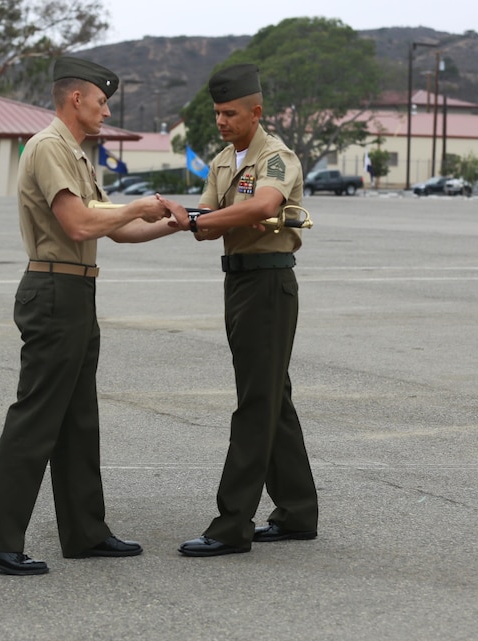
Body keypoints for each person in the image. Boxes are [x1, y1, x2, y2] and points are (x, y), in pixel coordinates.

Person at [0, 56, 178, 576]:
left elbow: (117, 230)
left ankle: (85, 531)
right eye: (103, 102)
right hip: (54, 289)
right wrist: (135, 207)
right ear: (76, 99)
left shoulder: (79, 157)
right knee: (36, 417)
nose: (107, 111)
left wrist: (180, 223)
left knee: (79, 420)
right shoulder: (48, 148)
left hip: (77, 292)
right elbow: (81, 223)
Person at [164, 64, 318, 557]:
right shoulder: (224, 161)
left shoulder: (276, 157)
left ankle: (232, 523)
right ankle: (296, 511)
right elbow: (207, 226)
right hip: (239, 283)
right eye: (217, 113)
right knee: (272, 398)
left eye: (230, 113)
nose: (222, 121)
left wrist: (195, 217)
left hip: (270, 283)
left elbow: (260, 206)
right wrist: (176, 216)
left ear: (257, 111)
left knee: (255, 404)